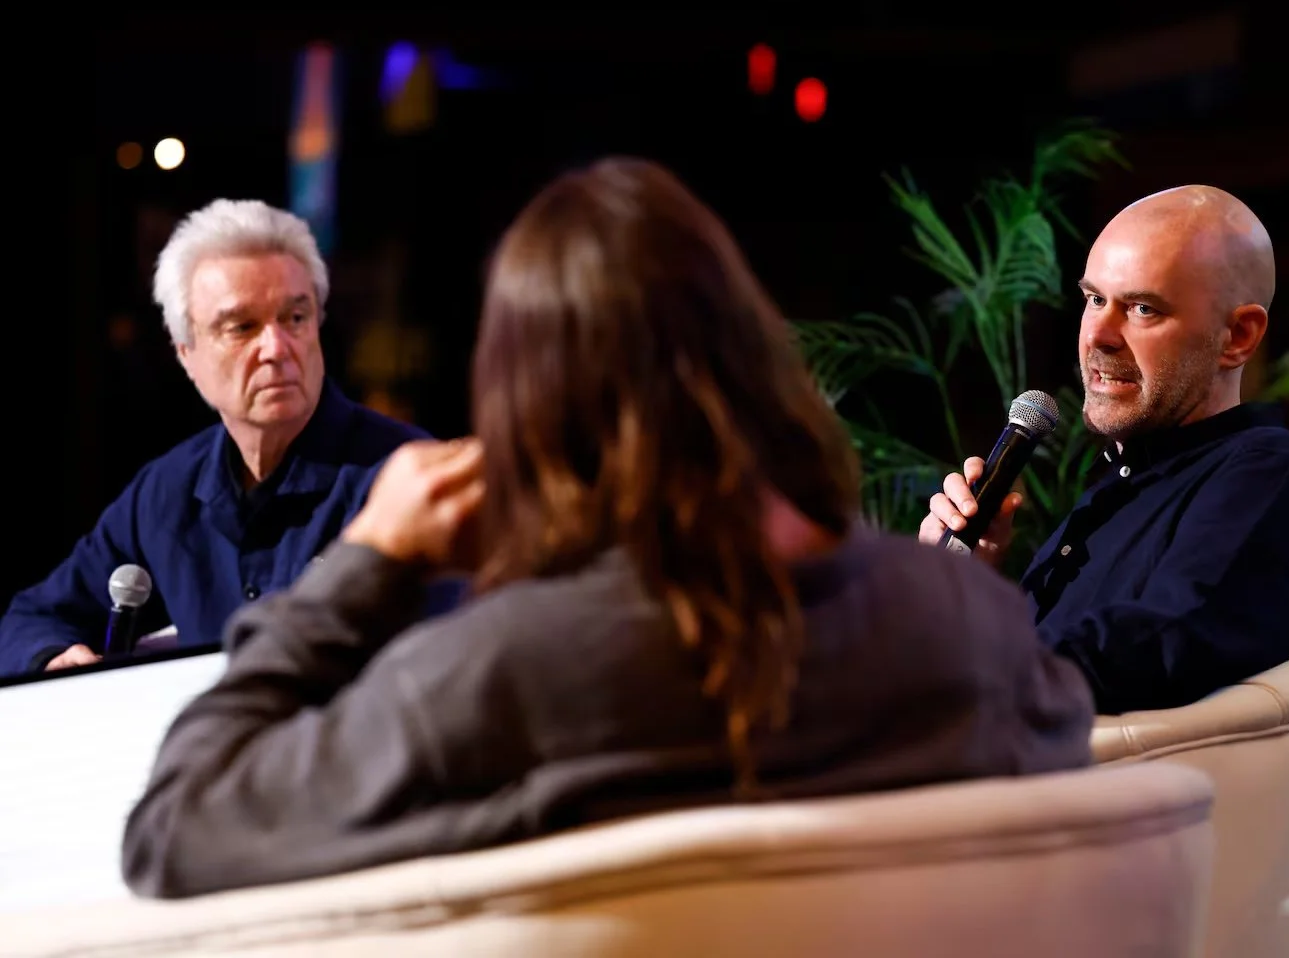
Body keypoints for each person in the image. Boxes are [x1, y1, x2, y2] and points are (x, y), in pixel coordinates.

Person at [121, 158, 1095, 899]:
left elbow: (175, 828)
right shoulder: (971, 623)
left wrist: (368, 564)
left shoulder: (498, 674)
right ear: (755, 351)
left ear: (524, 398)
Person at [920, 185, 1289, 714]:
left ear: (1237, 335)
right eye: (1094, 299)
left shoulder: (1265, 473)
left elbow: (1149, 645)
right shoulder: (1125, 477)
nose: (1098, 335)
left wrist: (927, 671)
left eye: (1142, 309)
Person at [0, 199, 433, 677]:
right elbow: (31, 619)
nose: (276, 348)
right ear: (186, 353)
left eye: (295, 318)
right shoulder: (167, 491)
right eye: (242, 327)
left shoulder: (406, 479)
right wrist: (57, 659)